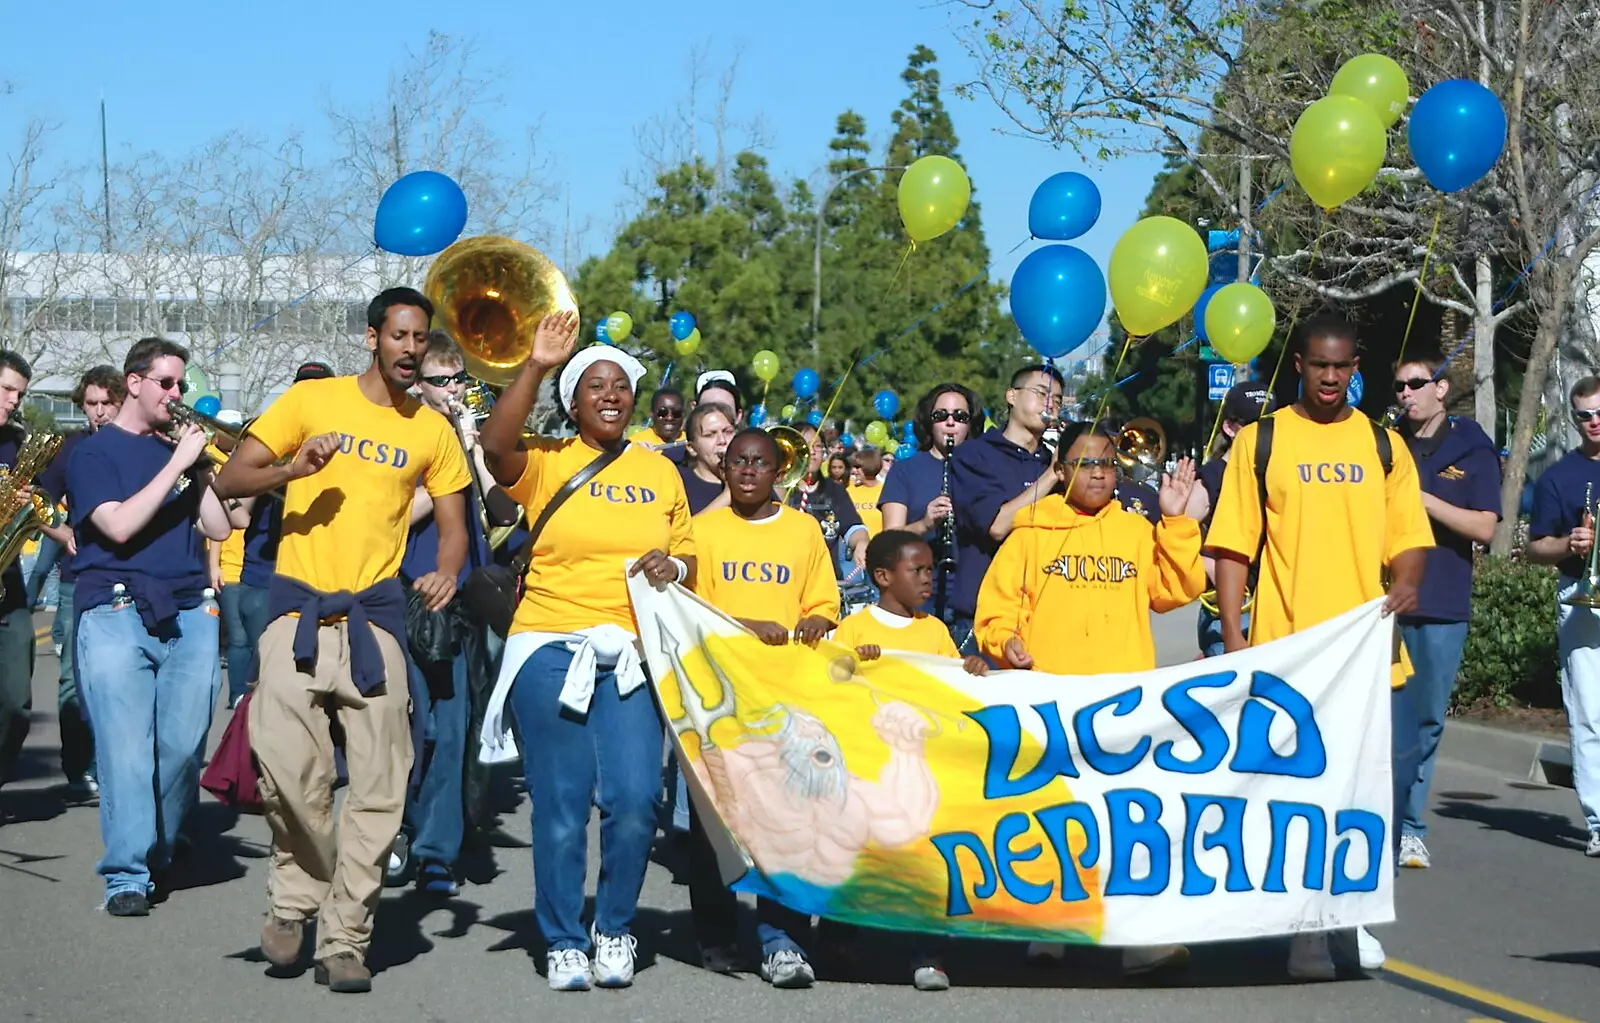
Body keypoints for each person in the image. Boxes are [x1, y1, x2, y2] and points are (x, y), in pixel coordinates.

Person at [214, 287, 471, 994]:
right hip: (294, 613)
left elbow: (453, 523)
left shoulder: (432, 431)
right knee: (290, 775)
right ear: (371, 337)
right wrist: (293, 470)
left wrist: (446, 572)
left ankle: (346, 935)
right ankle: (297, 897)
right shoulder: (312, 402)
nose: (411, 349)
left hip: (376, 620)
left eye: (421, 338)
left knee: (383, 785)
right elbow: (230, 476)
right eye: (399, 335)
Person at [1207, 313, 1434, 979]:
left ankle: (1350, 915)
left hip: (1364, 653)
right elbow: (1231, 547)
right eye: (1318, 365)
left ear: (1355, 365)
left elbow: (1410, 536)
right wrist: (1232, 635)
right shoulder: (1262, 440)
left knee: (1361, 792)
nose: (1331, 377)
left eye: (1342, 366)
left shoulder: (1384, 445)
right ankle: (1303, 927)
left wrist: (1410, 583)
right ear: (1299, 364)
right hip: (1287, 652)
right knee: (1293, 795)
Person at [477, 320, 695, 993]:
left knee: (634, 799)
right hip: (550, 644)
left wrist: (674, 566)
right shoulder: (545, 458)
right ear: (573, 403)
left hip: (631, 654)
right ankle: (565, 936)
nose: (611, 395)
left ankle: (615, 927)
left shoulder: (661, 471)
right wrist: (537, 365)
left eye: (621, 387)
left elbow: (689, 553)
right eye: (595, 386)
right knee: (562, 799)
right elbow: (494, 445)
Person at [971, 421, 1201, 977]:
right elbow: (995, 612)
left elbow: (1178, 590)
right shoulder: (1032, 532)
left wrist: (1175, 521)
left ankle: (1135, 941)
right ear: (1062, 471)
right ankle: (1048, 933)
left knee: (1123, 822)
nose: (1096, 472)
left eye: (1106, 463)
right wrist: (1009, 642)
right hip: (1050, 700)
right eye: (1083, 462)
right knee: (1054, 820)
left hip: (1122, 703)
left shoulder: (1136, 529)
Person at [66, 338, 233, 914]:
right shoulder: (93, 453)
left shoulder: (179, 454)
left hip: (189, 608)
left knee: (185, 747)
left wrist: (204, 470)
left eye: (181, 385)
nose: (176, 395)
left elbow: (219, 529)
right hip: (114, 610)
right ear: (133, 383)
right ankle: (126, 873)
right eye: (166, 383)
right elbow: (116, 526)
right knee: (126, 751)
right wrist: (177, 466)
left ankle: (156, 843)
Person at [690, 427, 840, 989]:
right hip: (714, 701)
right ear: (723, 469)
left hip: (784, 700)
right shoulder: (701, 532)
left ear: (780, 471)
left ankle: (783, 939)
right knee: (716, 823)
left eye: (760, 463)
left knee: (787, 820)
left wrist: (816, 621)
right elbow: (687, 609)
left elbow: (824, 604)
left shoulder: (802, 532)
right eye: (737, 462)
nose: (749, 471)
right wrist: (746, 627)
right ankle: (716, 933)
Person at [833, 528, 988, 992]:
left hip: (921, 769)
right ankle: (841, 939)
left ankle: (928, 953)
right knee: (862, 856)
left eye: (929, 569)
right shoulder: (857, 626)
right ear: (882, 576)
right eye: (916, 570)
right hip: (867, 766)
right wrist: (852, 662)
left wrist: (973, 667)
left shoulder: (935, 630)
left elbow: (952, 685)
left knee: (925, 861)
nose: (928, 578)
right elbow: (828, 683)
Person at [391, 331, 507, 896]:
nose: (454, 389)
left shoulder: (467, 436)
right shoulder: (407, 434)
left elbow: (499, 508)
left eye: (460, 378)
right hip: (407, 591)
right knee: (412, 727)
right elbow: (391, 512)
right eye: (442, 380)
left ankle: (438, 850)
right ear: (419, 383)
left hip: (462, 599)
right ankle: (397, 831)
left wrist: (472, 450)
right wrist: (442, 474)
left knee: (456, 726)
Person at [1391, 351, 1500, 869]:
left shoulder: (1470, 444)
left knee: (1426, 721)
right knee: (1382, 718)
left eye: (1416, 383)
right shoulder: (1385, 444)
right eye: (1398, 386)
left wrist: (1421, 499)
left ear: (1442, 387)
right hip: (1382, 600)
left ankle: (1410, 826)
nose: (1405, 393)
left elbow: (1484, 528)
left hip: (1441, 602)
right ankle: (1378, 822)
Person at [221, 363, 337, 712]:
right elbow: (238, 515)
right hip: (266, 581)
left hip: (325, 580)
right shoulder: (272, 439)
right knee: (273, 692)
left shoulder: (344, 444)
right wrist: (279, 470)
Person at [32, 364, 124, 801]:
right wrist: (60, 531)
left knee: (122, 677)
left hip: (128, 578)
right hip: (77, 578)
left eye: (108, 403)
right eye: (92, 404)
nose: (100, 412)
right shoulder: (70, 449)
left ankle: (116, 763)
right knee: (74, 676)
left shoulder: (140, 445)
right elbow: (36, 495)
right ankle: (77, 768)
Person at [1527, 375, 1600, 859]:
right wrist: (1567, 544)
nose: (1595, 423)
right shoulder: (1559, 477)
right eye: (1585, 416)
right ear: (1573, 420)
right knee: (1590, 716)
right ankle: (1599, 821)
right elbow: (1535, 547)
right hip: (1582, 592)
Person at [948, 365, 1063, 651]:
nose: (1050, 404)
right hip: (982, 617)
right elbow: (997, 525)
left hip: (1041, 614)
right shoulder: (973, 454)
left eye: (1057, 400)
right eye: (1041, 393)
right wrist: (1051, 475)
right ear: (1011, 396)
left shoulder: (1054, 463)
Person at [881, 383, 981, 625]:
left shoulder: (983, 471)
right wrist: (925, 524)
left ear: (970, 424)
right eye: (940, 416)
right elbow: (887, 540)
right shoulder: (905, 471)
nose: (950, 422)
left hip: (971, 599)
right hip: (917, 599)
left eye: (960, 416)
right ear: (928, 421)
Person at [1186, 383, 1271, 657]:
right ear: (1230, 428)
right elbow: (1180, 533)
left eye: (1270, 423)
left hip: (1273, 604)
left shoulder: (1276, 470)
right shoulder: (1212, 476)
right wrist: (1209, 565)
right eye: (1254, 424)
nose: (1264, 433)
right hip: (1235, 606)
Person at [0, 350, 41, 813]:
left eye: (20, 394)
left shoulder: (16, 442)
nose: (14, 401)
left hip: (8, 585)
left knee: (16, 702)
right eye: (7, 389)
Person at [788, 422, 868, 578]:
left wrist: (861, 542)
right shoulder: (779, 490)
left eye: (817, 446)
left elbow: (853, 527)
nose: (812, 452)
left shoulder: (835, 491)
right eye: (804, 445)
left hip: (826, 580)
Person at [678, 402, 737, 514]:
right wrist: (729, 494)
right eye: (710, 435)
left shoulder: (750, 478)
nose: (722, 440)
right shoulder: (678, 483)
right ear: (692, 448)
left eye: (728, 432)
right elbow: (684, 531)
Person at [847, 445, 886, 538]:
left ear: (869, 466)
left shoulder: (885, 491)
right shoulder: (848, 492)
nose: (853, 471)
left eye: (857, 467)